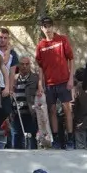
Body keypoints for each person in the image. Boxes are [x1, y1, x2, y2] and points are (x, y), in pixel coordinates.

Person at [35, 16, 76, 149]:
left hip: (64, 81)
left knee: (67, 109)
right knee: (52, 110)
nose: (48, 28)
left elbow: (71, 59)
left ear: (53, 26)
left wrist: (71, 79)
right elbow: (40, 66)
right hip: (49, 83)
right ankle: (56, 139)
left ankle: (70, 139)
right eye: (45, 26)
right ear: (42, 28)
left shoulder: (62, 40)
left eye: (49, 25)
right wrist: (40, 84)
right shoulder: (40, 45)